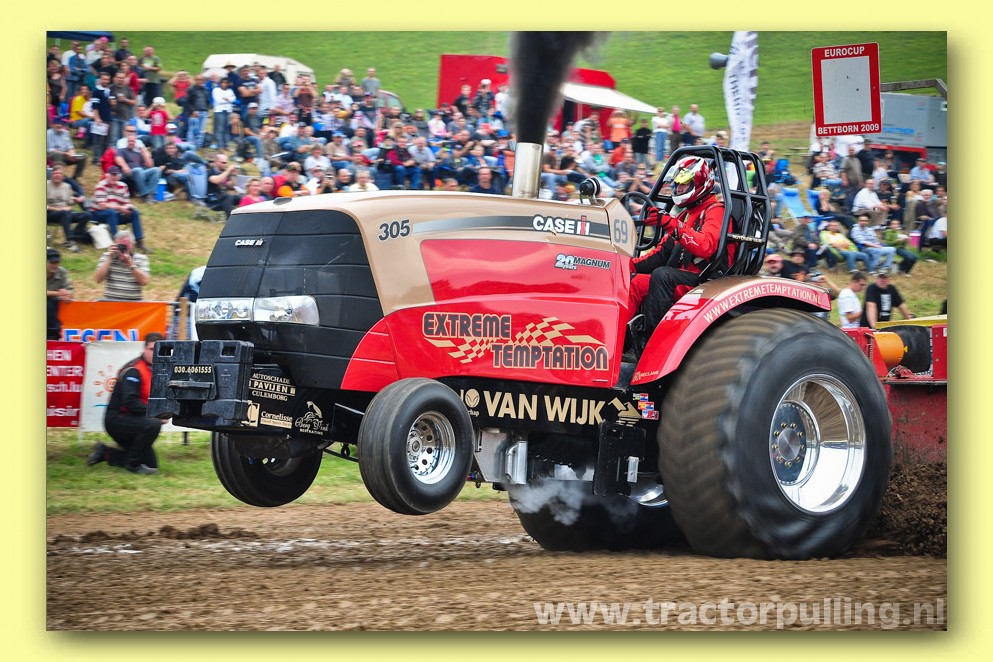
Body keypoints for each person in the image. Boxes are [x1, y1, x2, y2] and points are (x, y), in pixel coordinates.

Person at [630, 156, 726, 335]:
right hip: (681, 277)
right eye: (677, 183)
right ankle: (621, 339)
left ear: (700, 183)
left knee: (663, 275)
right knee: (634, 281)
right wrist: (629, 265)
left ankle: (651, 340)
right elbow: (661, 253)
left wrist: (671, 224)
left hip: (706, 281)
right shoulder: (687, 214)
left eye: (684, 183)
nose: (678, 188)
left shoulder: (715, 211)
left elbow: (706, 246)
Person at [87, 332, 166, 475]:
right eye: (151, 349)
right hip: (117, 420)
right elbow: (130, 402)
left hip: (134, 420)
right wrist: (156, 413)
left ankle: (105, 453)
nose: (155, 354)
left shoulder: (155, 370)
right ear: (144, 349)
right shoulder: (134, 370)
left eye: (158, 350)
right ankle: (133, 465)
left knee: (151, 465)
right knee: (153, 425)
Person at [91, 166, 148, 250]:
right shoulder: (101, 186)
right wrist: (120, 208)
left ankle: (139, 241)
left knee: (135, 213)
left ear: (119, 176)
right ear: (107, 175)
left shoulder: (123, 186)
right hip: (98, 214)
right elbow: (102, 205)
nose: (114, 177)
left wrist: (128, 208)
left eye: (116, 175)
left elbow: (126, 203)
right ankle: (116, 242)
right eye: (112, 175)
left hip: (114, 214)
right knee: (111, 212)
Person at [94, 229, 151, 301]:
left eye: (126, 246)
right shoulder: (107, 256)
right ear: (115, 244)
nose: (122, 249)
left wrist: (130, 264)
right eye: (120, 245)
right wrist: (110, 258)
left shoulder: (141, 258)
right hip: (111, 301)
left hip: (134, 302)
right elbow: (98, 279)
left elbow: (145, 282)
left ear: (132, 245)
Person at [46, 167, 88, 252]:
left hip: (65, 214)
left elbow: (70, 204)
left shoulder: (67, 186)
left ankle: (75, 236)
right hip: (49, 214)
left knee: (86, 215)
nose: (57, 175)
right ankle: (70, 241)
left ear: (63, 176)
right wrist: (59, 209)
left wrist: (69, 207)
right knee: (64, 213)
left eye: (59, 174)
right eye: (55, 173)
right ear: (51, 175)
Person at [46, 248, 74, 340]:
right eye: (52, 263)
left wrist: (67, 295)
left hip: (54, 308)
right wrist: (58, 293)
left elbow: (69, 290)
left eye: (57, 262)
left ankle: (55, 335)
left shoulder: (62, 272)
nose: (55, 265)